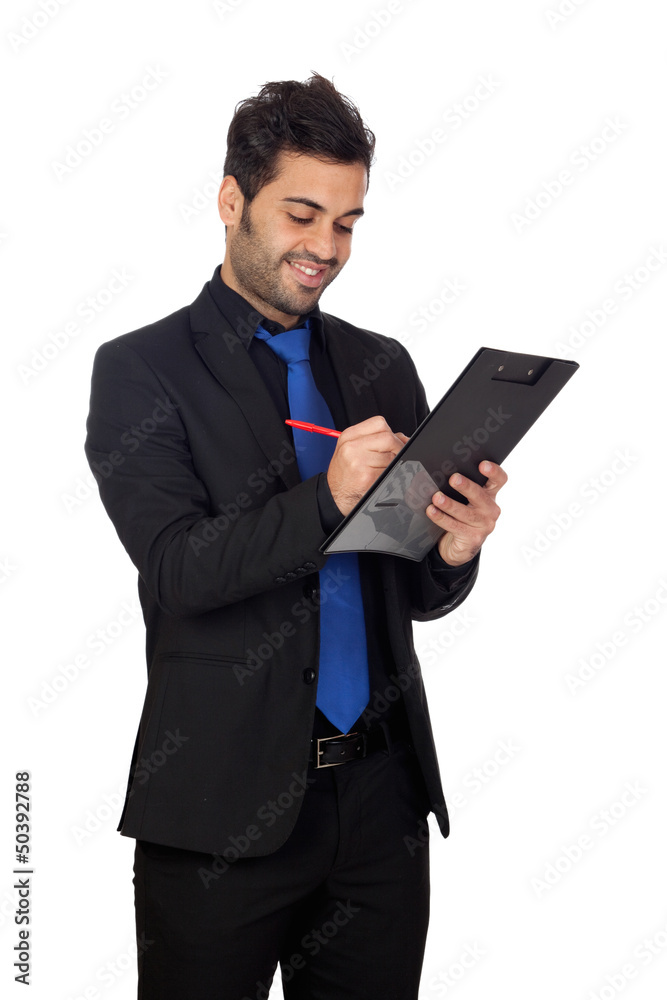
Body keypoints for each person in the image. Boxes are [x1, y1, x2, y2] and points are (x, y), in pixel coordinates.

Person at [84, 72, 506, 1000]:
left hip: (379, 808)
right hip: (217, 820)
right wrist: (326, 500)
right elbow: (177, 573)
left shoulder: (378, 365)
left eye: (347, 222)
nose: (325, 248)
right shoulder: (140, 371)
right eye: (302, 214)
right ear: (232, 200)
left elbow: (412, 588)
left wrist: (454, 548)